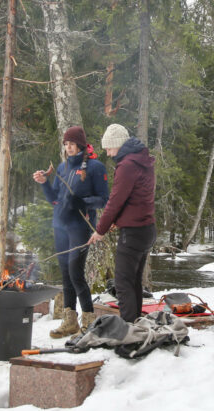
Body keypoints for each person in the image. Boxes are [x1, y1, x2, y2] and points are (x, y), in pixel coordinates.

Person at [33, 126, 109, 337]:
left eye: (72, 144)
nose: (69, 148)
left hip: (81, 227)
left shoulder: (95, 167)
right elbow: (55, 200)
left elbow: (104, 199)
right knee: (66, 275)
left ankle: (88, 321)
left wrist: (82, 202)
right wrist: (44, 183)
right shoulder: (63, 167)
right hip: (60, 226)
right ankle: (70, 321)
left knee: (76, 273)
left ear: (81, 145)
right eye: (66, 144)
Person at [88, 124, 156, 322]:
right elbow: (135, 199)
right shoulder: (142, 161)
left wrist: (100, 230)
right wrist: (117, 221)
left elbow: (115, 201)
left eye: (109, 148)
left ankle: (127, 330)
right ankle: (134, 325)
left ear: (118, 145)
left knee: (123, 283)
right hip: (147, 230)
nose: (108, 153)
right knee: (133, 281)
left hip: (133, 233)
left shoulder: (127, 165)